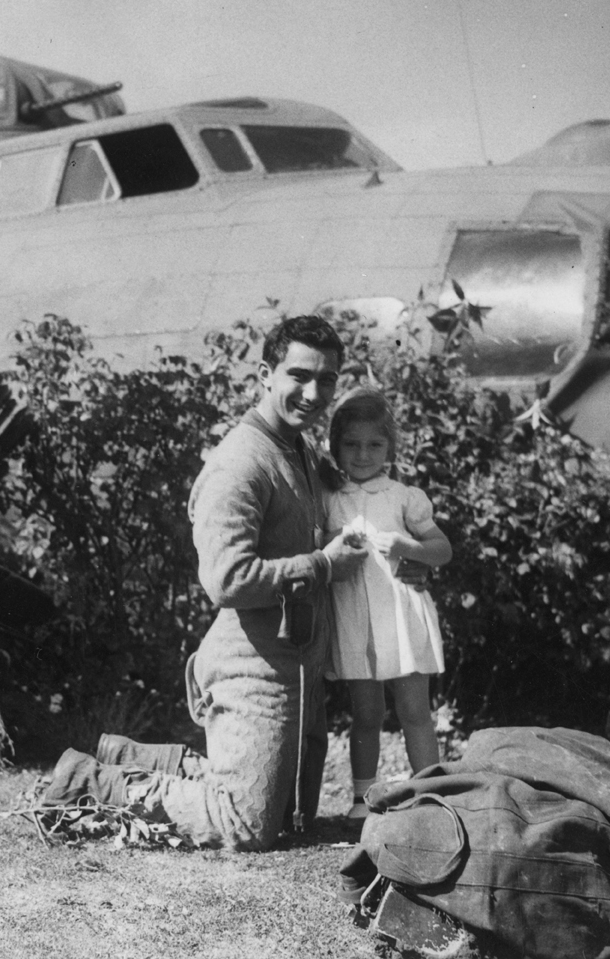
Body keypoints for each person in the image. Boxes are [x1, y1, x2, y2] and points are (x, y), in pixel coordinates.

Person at [39, 315, 366, 850]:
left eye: (326, 380)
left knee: (291, 816)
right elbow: (227, 579)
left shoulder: (299, 448)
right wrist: (323, 565)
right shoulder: (240, 462)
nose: (313, 393)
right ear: (265, 373)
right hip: (251, 664)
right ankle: (89, 781)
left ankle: (129, 758)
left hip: (294, 663)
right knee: (247, 824)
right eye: (299, 376)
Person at [323, 387, 451, 819]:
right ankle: (362, 800)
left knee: (415, 710)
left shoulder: (403, 496)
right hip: (357, 619)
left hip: (400, 617)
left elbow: (442, 549)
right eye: (352, 444)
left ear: (390, 449)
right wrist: (336, 542)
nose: (362, 454)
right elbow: (317, 547)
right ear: (336, 446)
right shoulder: (329, 500)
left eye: (374, 444)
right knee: (366, 712)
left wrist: (408, 546)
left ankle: (432, 797)